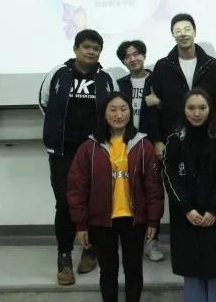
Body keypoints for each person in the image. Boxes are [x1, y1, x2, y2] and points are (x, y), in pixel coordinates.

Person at [67, 92, 164, 302]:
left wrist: (153, 220)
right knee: (108, 270)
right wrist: (81, 224)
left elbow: (154, 186)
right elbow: (77, 188)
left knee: (134, 269)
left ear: (130, 112)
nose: (119, 115)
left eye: (123, 109)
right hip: (102, 221)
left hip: (134, 220)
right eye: (112, 109)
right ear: (103, 113)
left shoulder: (143, 145)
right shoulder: (89, 147)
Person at [39, 29, 117, 285]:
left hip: (96, 150)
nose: (91, 52)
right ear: (75, 49)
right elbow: (44, 102)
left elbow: (115, 109)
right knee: (65, 203)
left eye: (96, 49)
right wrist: (57, 129)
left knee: (94, 201)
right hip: (63, 151)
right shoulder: (58, 73)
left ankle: (90, 249)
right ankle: (64, 257)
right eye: (86, 47)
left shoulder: (106, 79)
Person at [162, 89, 216, 302]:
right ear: (184, 110)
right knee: (191, 270)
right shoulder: (174, 141)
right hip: (186, 217)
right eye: (191, 108)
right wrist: (187, 209)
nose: (196, 113)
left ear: (210, 109)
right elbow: (170, 177)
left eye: (202, 108)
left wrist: (213, 209)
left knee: (214, 270)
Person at [150, 13, 216, 159]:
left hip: (208, 134)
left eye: (187, 29)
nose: (183, 34)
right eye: (178, 31)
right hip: (174, 134)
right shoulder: (162, 66)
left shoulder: (211, 64)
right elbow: (155, 107)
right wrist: (157, 140)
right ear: (173, 35)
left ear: (194, 32)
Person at [116, 40, 164, 262]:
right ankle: (131, 238)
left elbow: (172, 110)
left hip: (151, 143)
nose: (132, 59)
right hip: (125, 144)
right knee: (127, 191)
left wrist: (159, 139)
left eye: (136, 54)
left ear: (144, 55)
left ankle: (151, 241)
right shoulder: (120, 84)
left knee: (153, 192)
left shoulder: (158, 80)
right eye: (127, 56)